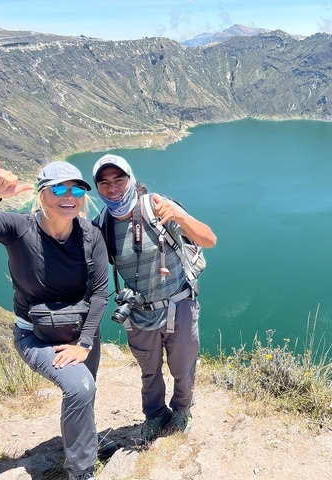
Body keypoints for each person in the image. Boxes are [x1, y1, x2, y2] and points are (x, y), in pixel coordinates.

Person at [0, 159, 113, 480]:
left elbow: (101, 293)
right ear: (41, 194)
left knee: (85, 391)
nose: (69, 194)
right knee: (80, 388)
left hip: (79, 332)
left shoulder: (90, 235)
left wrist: (85, 342)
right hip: (35, 335)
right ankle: (81, 471)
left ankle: (81, 445)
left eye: (77, 188)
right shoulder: (18, 227)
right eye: (58, 188)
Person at [91, 154, 216, 446]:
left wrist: (181, 216)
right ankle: (155, 415)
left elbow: (209, 239)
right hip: (139, 314)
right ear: (97, 188)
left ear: (130, 179)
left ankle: (182, 410)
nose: (113, 188)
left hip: (179, 304)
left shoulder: (158, 209)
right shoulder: (101, 226)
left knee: (182, 367)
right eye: (104, 182)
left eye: (118, 179)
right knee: (149, 372)